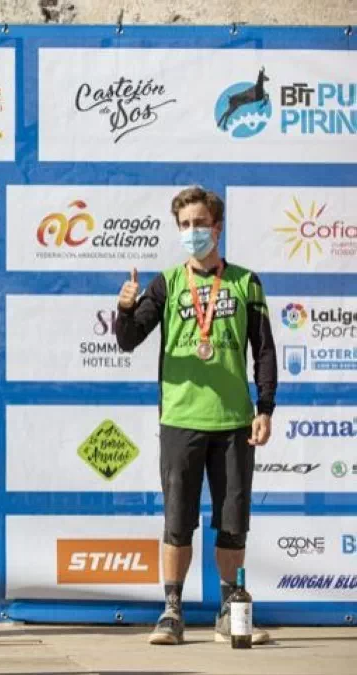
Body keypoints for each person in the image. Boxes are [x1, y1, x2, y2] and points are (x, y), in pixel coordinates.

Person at [114, 186, 276, 646]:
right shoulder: (166, 283)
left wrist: (264, 408)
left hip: (233, 421)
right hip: (181, 418)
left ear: (217, 227)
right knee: (177, 520)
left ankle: (229, 611)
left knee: (231, 522)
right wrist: (125, 309)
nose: (192, 233)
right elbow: (129, 340)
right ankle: (172, 612)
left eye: (200, 224)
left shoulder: (246, 282)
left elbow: (263, 351)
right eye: (185, 225)